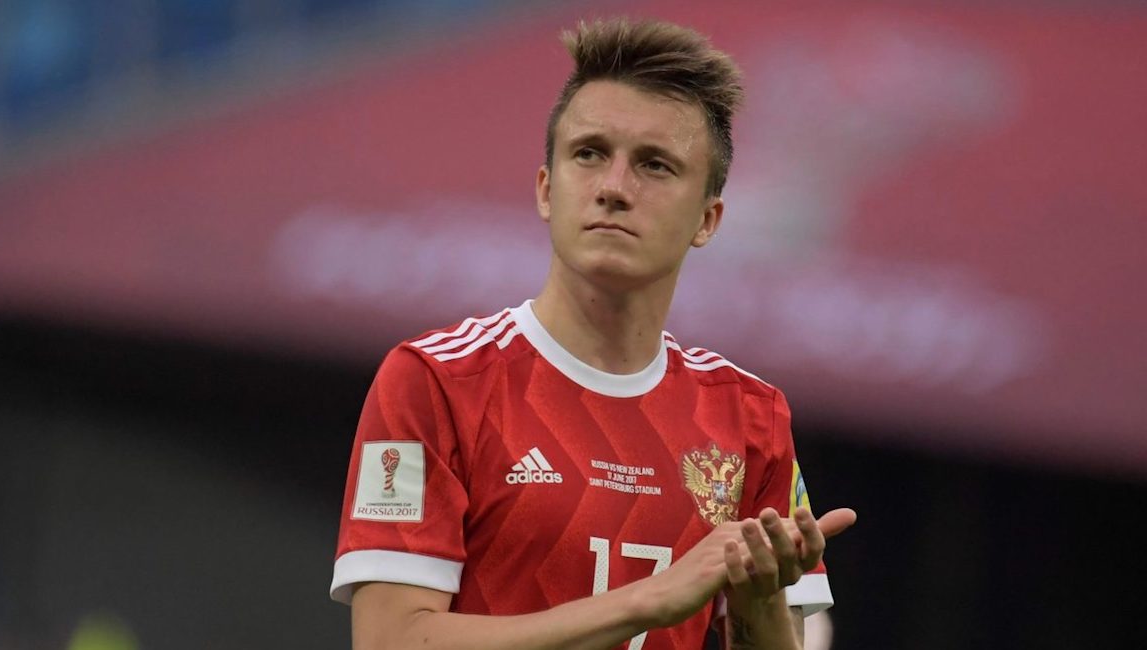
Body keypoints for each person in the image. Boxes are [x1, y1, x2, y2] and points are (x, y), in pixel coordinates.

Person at [330, 17, 856, 650]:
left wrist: (760, 596)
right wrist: (648, 600)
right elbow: (389, 641)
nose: (613, 188)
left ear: (708, 219)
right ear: (546, 190)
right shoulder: (438, 380)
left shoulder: (750, 417)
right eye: (589, 154)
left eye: (655, 165)